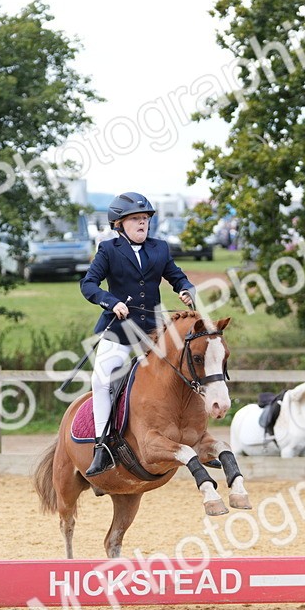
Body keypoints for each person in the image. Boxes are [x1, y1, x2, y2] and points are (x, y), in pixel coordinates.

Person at [79, 191, 195, 476]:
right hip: (119, 328)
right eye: (136, 219)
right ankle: (101, 447)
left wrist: (185, 289)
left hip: (153, 329)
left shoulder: (160, 248)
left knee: (186, 367)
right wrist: (111, 302)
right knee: (102, 378)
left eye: (145, 219)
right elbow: (89, 284)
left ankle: (193, 432)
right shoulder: (109, 249)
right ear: (119, 224)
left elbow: (176, 275)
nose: (143, 224)